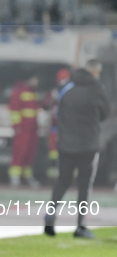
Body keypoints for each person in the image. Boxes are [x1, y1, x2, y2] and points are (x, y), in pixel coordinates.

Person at [44, 59, 109, 239]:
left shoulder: (67, 88)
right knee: (84, 186)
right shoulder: (97, 89)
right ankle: (80, 226)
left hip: (65, 143)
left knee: (62, 181)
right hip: (88, 144)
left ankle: (50, 214)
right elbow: (104, 113)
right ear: (95, 71)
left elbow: (58, 113)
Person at [8, 74, 40, 188]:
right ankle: (15, 176)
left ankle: (27, 176)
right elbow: (14, 109)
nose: (36, 82)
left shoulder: (32, 92)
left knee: (30, 153)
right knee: (20, 151)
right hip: (23, 128)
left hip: (32, 128)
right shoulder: (19, 91)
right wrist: (17, 126)